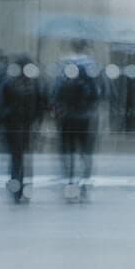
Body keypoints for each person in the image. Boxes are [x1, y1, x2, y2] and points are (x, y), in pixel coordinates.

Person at [52, 39, 102, 202]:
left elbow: (55, 92)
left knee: (68, 153)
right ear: (85, 47)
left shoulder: (63, 65)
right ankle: (84, 187)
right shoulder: (92, 66)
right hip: (86, 118)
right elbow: (99, 93)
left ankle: (70, 185)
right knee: (85, 154)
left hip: (67, 118)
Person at [0, 55, 44, 203]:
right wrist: (36, 122)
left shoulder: (8, 83)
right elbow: (40, 106)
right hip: (27, 127)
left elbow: (1, 105)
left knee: (15, 159)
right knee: (24, 159)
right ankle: (24, 187)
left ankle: (15, 188)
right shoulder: (34, 85)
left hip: (12, 126)